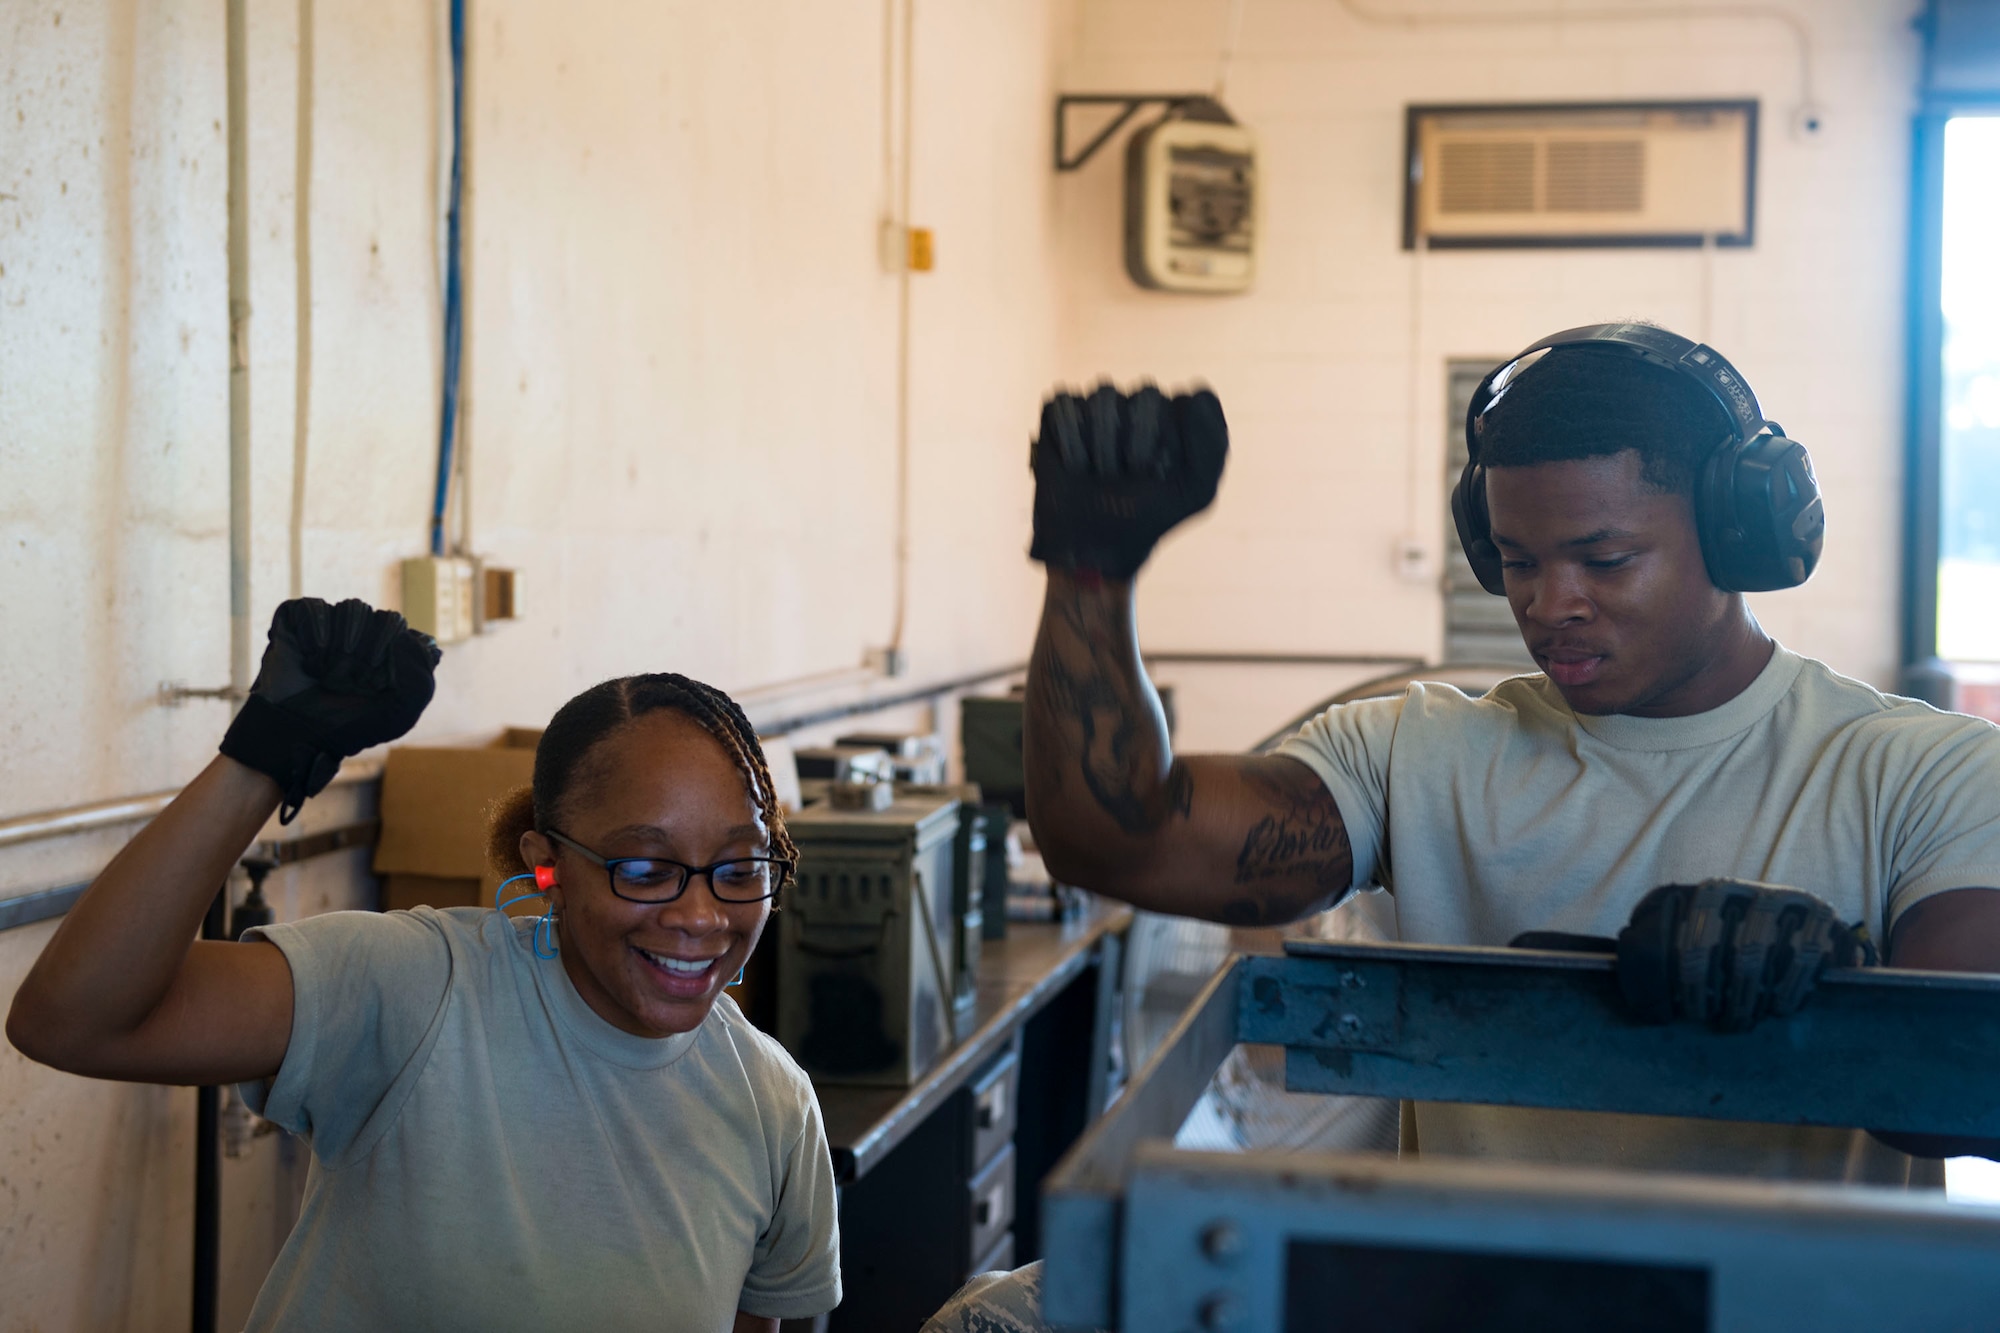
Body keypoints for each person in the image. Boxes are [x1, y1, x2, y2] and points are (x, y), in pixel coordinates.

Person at [925, 323, 2000, 1331]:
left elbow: (1966, 1087)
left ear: (1739, 535)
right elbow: (1121, 841)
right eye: (1516, 562)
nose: (1548, 603)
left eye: (1602, 558)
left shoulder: (1919, 773)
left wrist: (1836, 989)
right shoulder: (1420, 752)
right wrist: (1087, 579)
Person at [6, 598, 841, 1332]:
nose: (701, 915)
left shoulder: (770, 1106)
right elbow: (71, 1019)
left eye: (739, 868)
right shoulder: (420, 993)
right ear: (545, 864)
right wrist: (264, 756)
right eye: (646, 869)